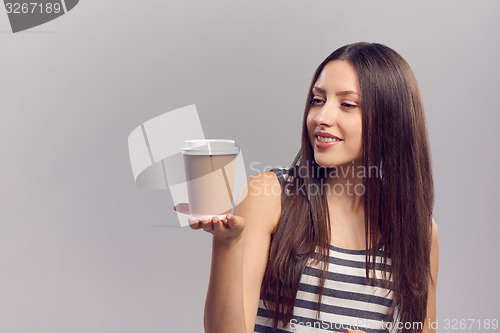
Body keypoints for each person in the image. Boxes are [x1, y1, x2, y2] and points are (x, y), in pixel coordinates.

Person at [181, 42, 439, 333]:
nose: (321, 118)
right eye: (318, 100)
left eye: (347, 104)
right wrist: (228, 243)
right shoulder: (270, 196)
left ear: (391, 119)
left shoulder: (419, 231)